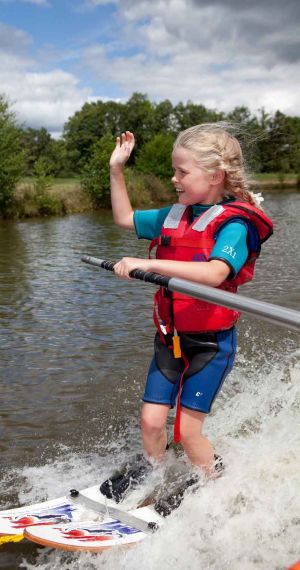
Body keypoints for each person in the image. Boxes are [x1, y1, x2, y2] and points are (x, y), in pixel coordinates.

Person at [99, 124, 273, 515]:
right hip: (170, 337)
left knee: (187, 431)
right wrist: (116, 170)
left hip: (211, 344)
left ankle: (219, 489)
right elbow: (124, 217)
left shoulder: (235, 224)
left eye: (182, 172)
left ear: (214, 176)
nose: (173, 179)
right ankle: (155, 480)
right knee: (150, 422)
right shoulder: (174, 215)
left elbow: (215, 273)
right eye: (174, 171)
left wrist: (147, 262)